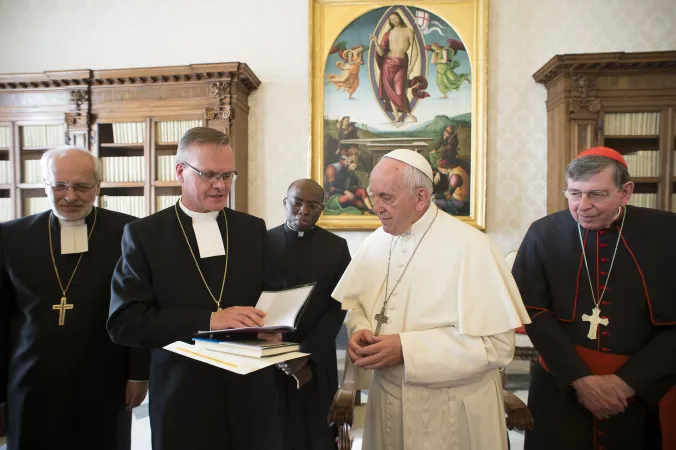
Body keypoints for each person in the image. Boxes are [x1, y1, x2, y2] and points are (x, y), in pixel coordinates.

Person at [332, 148, 530, 450]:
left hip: (451, 412)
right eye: (374, 196)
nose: (376, 207)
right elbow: (357, 303)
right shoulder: (377, 241)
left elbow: (498, 347)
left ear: (421, 197)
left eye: (387, 197)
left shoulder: (471, 248)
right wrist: (360, 329)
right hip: (386, 401)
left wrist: (407, 350)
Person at [106, 127, 282, 450]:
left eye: (228, 175)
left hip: (250, 397)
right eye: (209, 175)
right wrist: (211, 320)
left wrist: (275, 325)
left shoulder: (251, 229)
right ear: (180, 172)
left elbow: (270, 295)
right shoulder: (145, 235)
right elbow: (125, 322)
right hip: (184, 399)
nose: (221, 185)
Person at [512, 146, 676, 450]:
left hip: (643, 392)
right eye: (574, 193)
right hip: (561, 386)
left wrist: (629, 383)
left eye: (596, 194)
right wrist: (580, 380)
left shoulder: (668, 233)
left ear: (625, 192)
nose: (582, 206)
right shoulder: (543, 233)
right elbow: (531, 309)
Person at [0, 147, 149, 450]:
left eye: (81, 186)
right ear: (45, 185)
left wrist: (138, 374)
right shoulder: (11, 236)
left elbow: (139, 308)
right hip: (31, 378)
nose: (70, 196)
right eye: (59, 185)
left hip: (104, 376)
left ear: (98, 186)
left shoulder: (128, 232)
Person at [267, 178, 351, 450]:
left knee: (317, 433)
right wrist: (277, 350)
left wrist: (304, 352)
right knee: (274, 429)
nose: (304, 210)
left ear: (322, 209)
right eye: (297, 203)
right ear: (285, 203)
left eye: (312, 205)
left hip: (316, 355)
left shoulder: (336, 248)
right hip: (270, 354)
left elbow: (337, 306)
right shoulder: (263, 242)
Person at [371, 12, 421, 122]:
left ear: (399, 17)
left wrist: (411, 67)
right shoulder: (388, 34)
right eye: (392, 20)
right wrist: (375, 42)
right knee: (390, 91)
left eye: (395, 18)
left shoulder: (409, 31)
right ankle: (396, 116)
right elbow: (380, 53)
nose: (394, 21)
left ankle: (408, 114)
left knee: (399, 91)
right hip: (387, 64)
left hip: (401, 64)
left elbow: (416, 51)